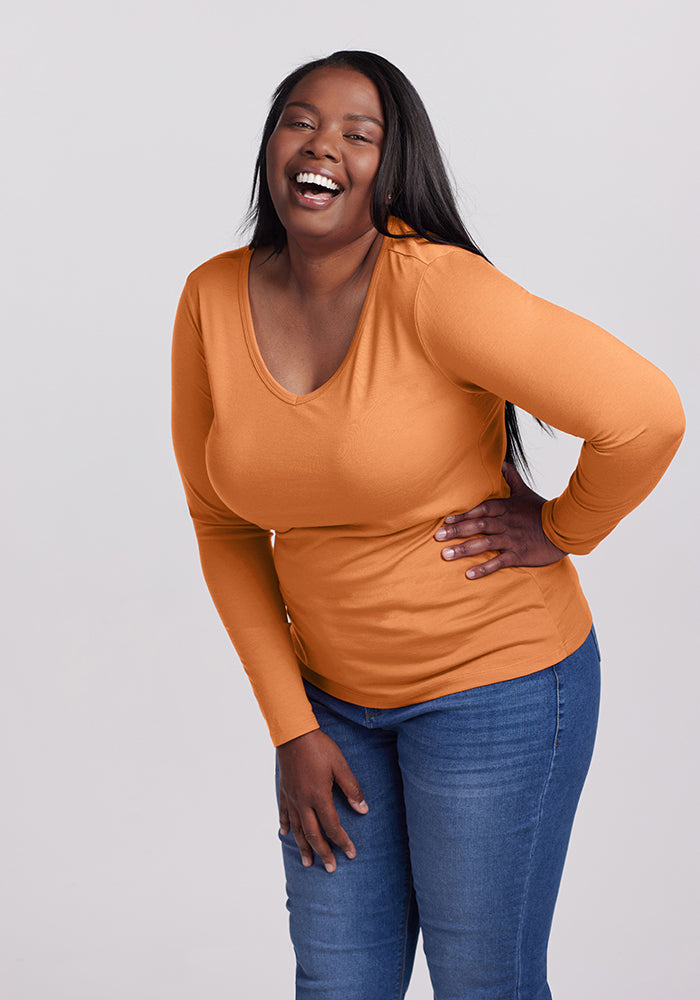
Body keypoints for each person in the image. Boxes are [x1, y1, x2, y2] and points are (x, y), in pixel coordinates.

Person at [170, 49, 685, 1000]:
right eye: (299, 120)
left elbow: (645, 415)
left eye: (359, 133)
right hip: (330, 706)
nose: (322, 145)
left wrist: (564, 529)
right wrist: (293, 728)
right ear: (271, 144)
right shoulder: (210, 297)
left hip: (498, 691)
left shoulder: (433, 288)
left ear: (392, 166)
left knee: (480, 982)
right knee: (338, 984)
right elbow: (220, 525)